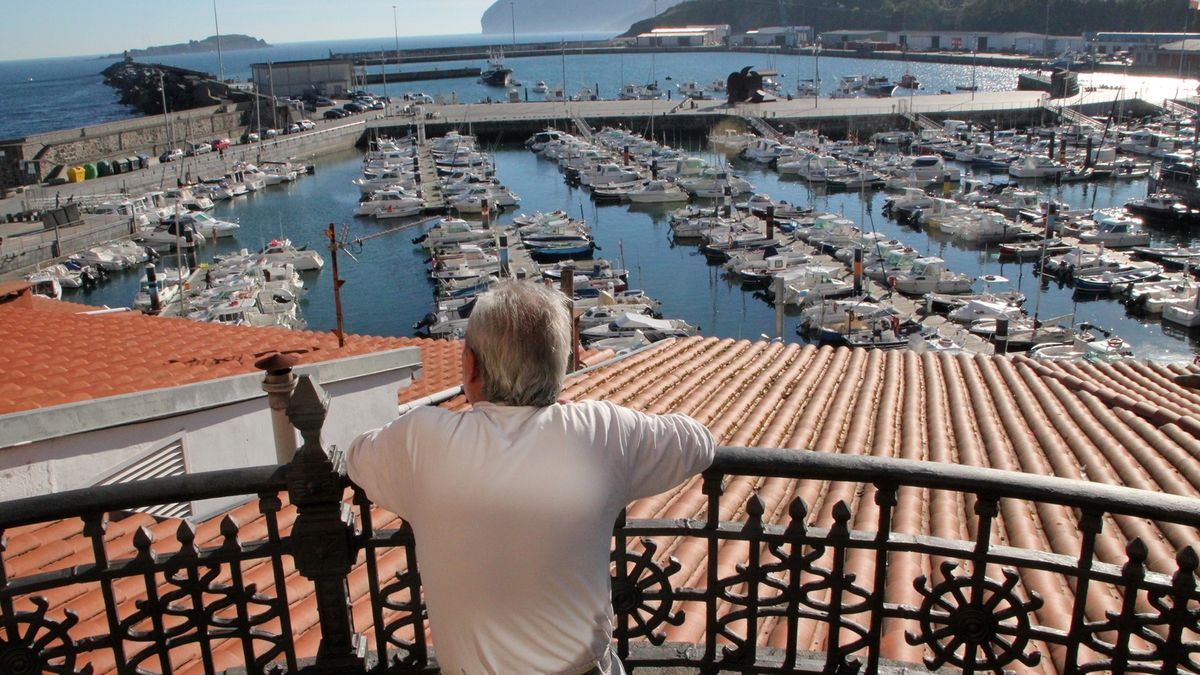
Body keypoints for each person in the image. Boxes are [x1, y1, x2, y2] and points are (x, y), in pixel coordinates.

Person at [347, 280, 714, 675]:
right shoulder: (599, 432)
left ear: (472, 365)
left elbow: (355, 456)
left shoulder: (420, 442)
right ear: (561, 365)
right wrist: (581, 418)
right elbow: (699, 442)